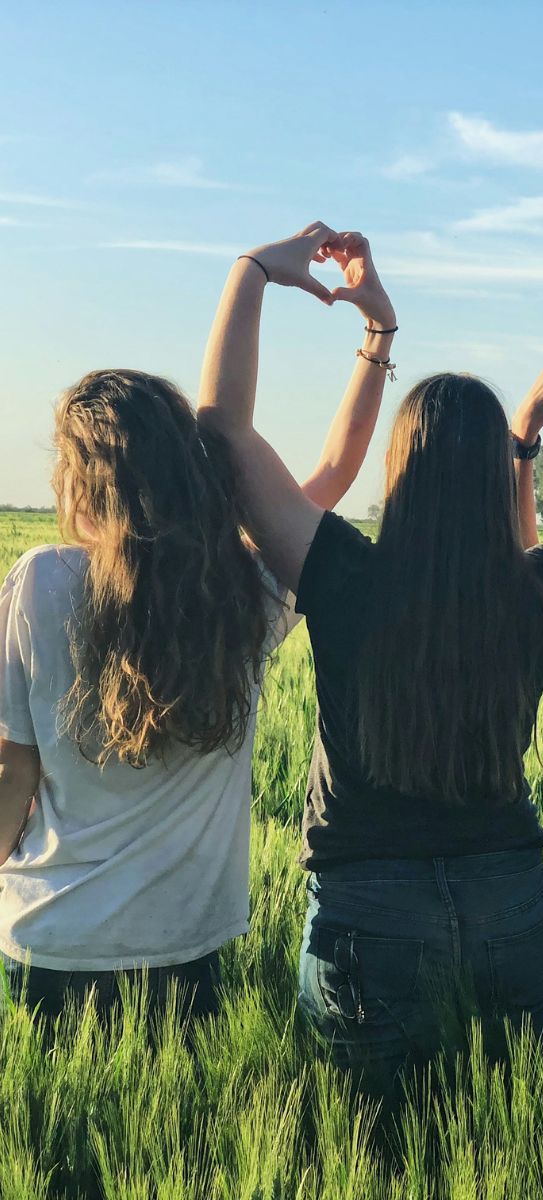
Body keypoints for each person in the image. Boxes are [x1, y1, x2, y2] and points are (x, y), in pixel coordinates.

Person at [197, 222, 543, 1091]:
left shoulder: (341, 573)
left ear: (400, 472)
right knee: (526, 1137)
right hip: (512, 905)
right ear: (491, 477)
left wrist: (252, 273)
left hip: (365, 915)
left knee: (372, 1144)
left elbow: (222, 433)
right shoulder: (542, 589)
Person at [0, 232, 392, 1019]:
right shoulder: (242, 593)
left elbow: (13, 771)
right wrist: (376, 335)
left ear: (80, 480)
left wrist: (252, 271)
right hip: (185, 950)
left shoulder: (40, 581)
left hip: (47, 939)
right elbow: (333, 474)